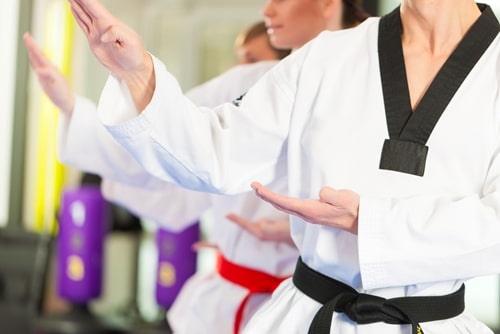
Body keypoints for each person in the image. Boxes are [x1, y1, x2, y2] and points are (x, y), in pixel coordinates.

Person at [67, 0, 500, 333]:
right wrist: (140, 75)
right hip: (308, 317)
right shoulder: (328, 56)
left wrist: (367, 221)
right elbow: (217, 151)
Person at [24, 11, 301, 334]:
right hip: (221, 301)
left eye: (251, 59)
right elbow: (169, 160)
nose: (240, 69)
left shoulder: (297, 90)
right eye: (240, 59)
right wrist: (71, 106)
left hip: (290, 304)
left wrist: (288, 232)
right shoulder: (235, 99)